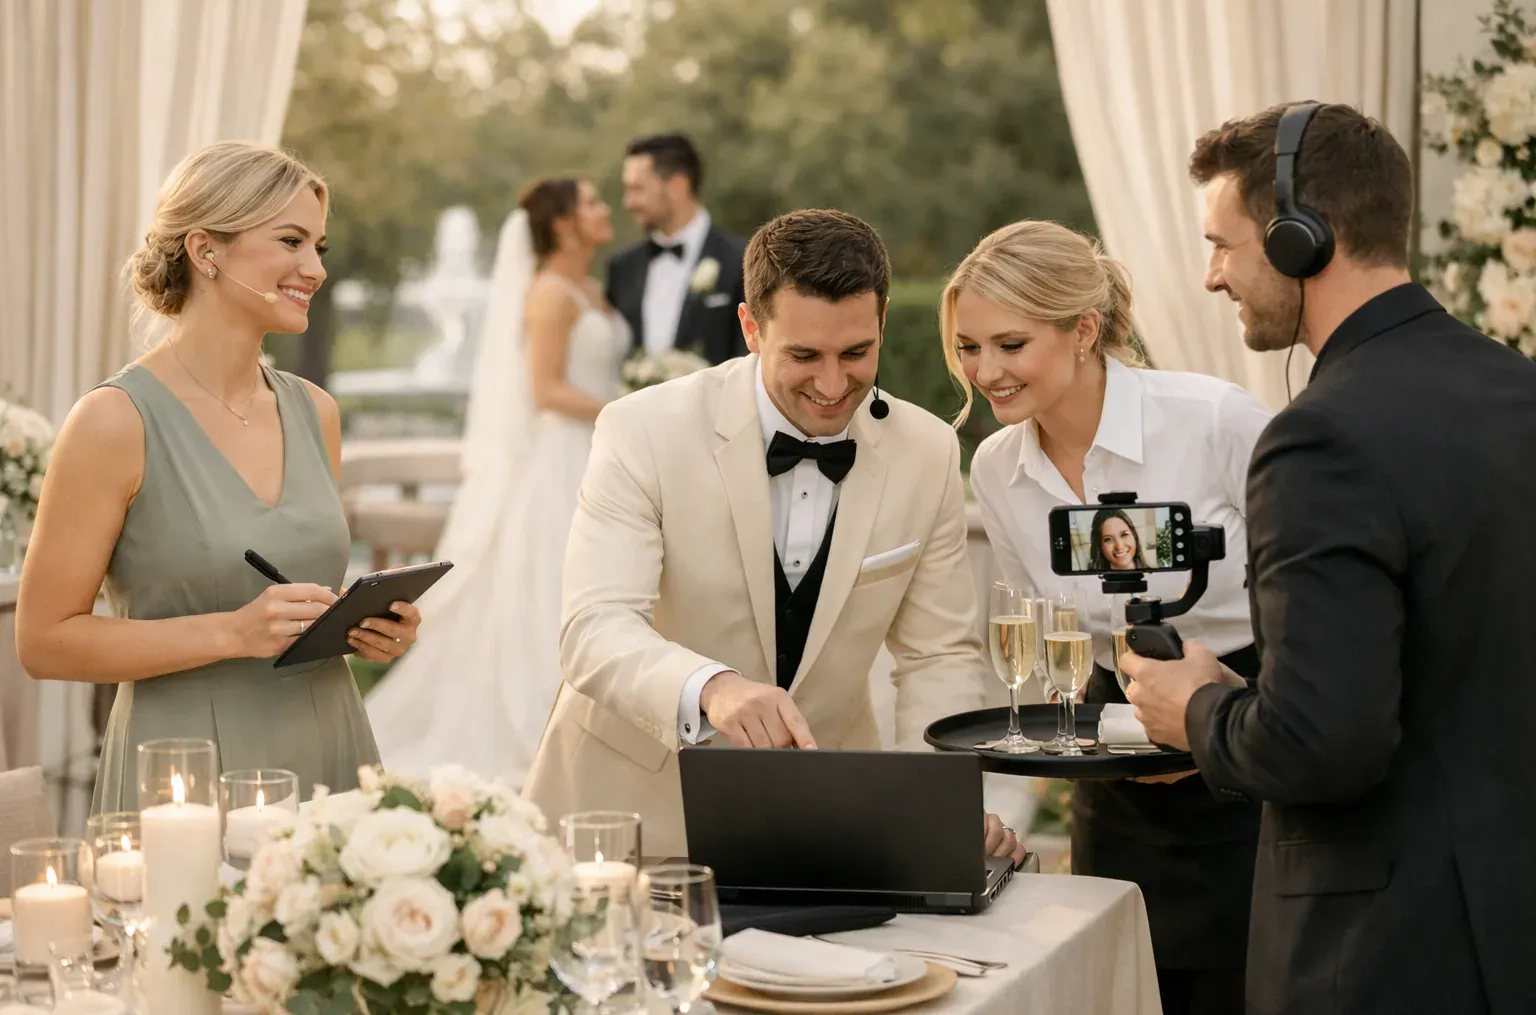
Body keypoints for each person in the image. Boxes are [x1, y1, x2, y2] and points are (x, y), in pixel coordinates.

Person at [1123, 102, 1536, 1015]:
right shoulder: (1520, 388)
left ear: (1301, 239)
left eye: (1223, 245)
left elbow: (1321, 746)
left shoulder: (1319, 440)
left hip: (1383, 961)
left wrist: (1196, 707)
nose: (1210, 276)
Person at [524, 208, 1025, 862]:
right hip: (629, 816)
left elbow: (937, 655)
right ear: (751, 329)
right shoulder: (643, 430)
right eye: (804, 356)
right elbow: (593, 629)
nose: (831, 384)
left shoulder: (926, 450)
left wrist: (934, 799)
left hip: (828, 818)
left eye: (856, 353)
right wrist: (714, 687)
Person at [14, 141, 421, 812]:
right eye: (290, 241)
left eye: (319, 246)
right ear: (206, 251)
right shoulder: (114, 422)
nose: (314, 268)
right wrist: (231, 634)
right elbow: (43, 640)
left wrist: (362, 623)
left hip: (330, 756)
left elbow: (289, 584)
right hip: (184, 777)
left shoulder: (315, 411)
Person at [952, 219, 1272, 1015]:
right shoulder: (996, 467)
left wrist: (1219, 720)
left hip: (1258, 743)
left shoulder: (1217, 420)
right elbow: (1044, 631)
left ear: (1084, 330)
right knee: (1120, 985)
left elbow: (1322, 595)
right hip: (1113, 763)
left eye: (1010, 344)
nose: (985, 371)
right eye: (968, 347)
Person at [367, 177, 628, 786]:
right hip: (563, 456)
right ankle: (551, 726)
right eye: (591, 202)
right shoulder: (550, 294)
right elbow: (545, 390)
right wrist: (625, 408)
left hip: (596, 448)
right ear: (563, 224)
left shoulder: (589, 288)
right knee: (551, 589)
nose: (604, 209)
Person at [606, 133, 748, 366]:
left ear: (677, 186)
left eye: (637, 189)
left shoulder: (741, 260)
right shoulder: (622, 267)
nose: (627, 203)